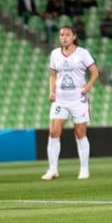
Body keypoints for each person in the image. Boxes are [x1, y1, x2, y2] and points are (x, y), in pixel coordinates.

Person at [42, 26, 99, 181]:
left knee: (80, 134)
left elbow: (95, 72)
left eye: (67, 35)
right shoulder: (55, 54)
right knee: (53, 133)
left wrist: (87, 87)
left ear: (74, 36)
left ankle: (84, 169)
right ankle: (53, 169)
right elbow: (53, 75)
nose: (64, 37)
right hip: (60, 99)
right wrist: (51, 91)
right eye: (61, 35)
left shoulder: (83, 53)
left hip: (78, 100)